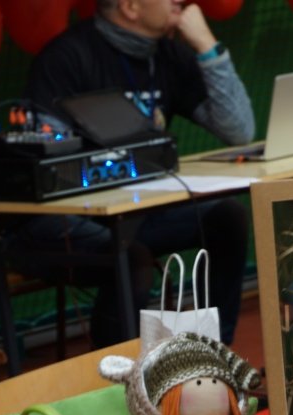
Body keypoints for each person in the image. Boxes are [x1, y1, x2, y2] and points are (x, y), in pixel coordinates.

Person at [16, 0, 255, 347]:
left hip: (136, 212)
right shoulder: (67, 57)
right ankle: (114, 374)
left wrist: (207, 47)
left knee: (227, 218)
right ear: (130, 7)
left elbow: (239, 130)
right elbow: (45, 157)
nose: (179, 1)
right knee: (130, 259)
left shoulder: (168, 54)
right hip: (64, 222)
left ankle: (215, 355)